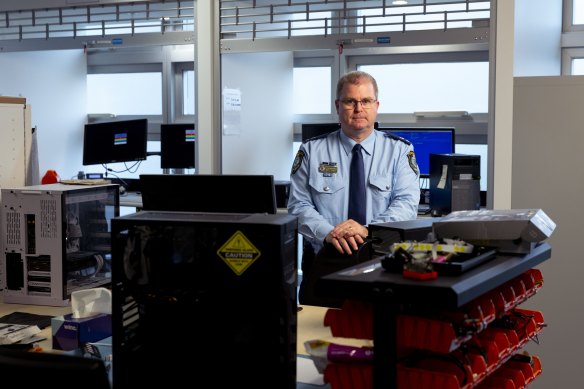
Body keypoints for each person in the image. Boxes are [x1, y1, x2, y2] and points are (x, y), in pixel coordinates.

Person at [288, 70, 420, 306]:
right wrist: (328, 232)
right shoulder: (311, 150)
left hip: (381, 259)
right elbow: (298, 205)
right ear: (338, 106)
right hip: (324, 259)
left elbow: (406, 204)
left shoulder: (399, 150)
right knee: (319, 331)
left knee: (376, 332)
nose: (359, 108)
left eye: (366, 101)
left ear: (376, 105)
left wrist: (367, 230)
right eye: (350, 101)